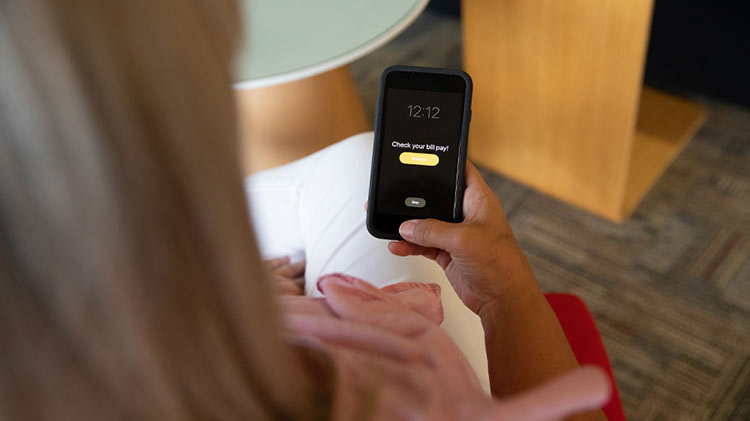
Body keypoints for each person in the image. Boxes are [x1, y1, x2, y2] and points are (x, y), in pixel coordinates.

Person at [0, 0, 609, 419]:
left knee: (364, 169)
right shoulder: (382, 391)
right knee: (361, 166)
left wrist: (226, 306)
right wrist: (505, 292)